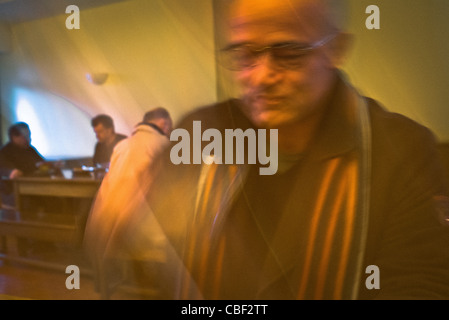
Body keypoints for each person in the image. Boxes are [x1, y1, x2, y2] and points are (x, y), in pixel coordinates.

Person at [146, 0, 449, 300]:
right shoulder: (202, 131)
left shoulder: (401, 150)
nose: (261, 77)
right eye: (245, 54)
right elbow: (166, 254)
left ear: (336, 49)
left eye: (289, 54)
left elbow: (422, 284)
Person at [84, 107, 174, 298]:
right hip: (141, 229)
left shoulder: (122, 145)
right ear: (164, 125)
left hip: (109, 224)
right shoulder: (163, 144)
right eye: (170, 127)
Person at [0, 122, 45, 203]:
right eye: (26, 136)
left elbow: (42, 162)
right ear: (14, 137)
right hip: (13, 191)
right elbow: (4, 169)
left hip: (35, 187)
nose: (29, 139)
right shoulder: (5, 151)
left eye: (29, 135)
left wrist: (50, 165)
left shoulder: (30, 149)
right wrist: (10, 172)